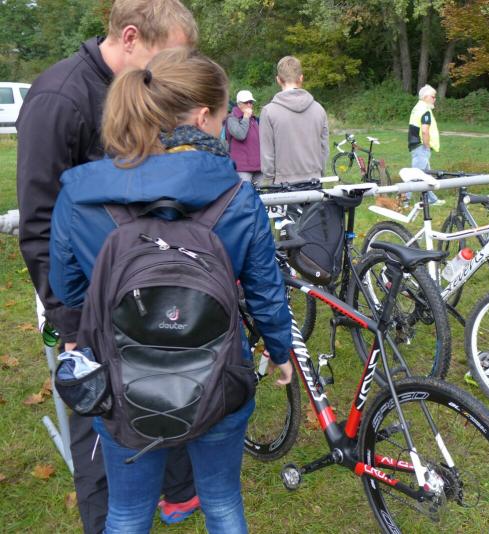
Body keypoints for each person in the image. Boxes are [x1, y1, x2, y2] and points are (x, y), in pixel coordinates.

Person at [48, 47, 293, 534]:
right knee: (223, 504)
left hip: (118, 378)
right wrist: (281, 351)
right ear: (203, 117)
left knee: (125, 513)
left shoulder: (80, 192)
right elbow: (266, 291)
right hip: (220, 373)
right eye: (221, 117)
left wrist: (80, 330)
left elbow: (67, 286)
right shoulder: (237, 195)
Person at [15, 1, 199, 530]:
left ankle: (174, 491)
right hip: (85, 305)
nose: (174, 73)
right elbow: (39, 224)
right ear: (132, 37)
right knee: (96, 419)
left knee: (161, 394)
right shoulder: (60, 98)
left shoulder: (149, 89)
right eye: (169, 57)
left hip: (147, 289)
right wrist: (71, 322)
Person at [259, 56, 329, 184]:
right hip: (314, 182)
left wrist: (269, 177)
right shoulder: (319, 109)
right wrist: (320, 173)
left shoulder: (269, 112)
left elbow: (267, 153)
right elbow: (324, 149)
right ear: (301, 78)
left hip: (283, 184)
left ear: (278, 80)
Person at [407, 84, 442, 206]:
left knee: (426, 176)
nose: (434, 99)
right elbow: (425, 130)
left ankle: (432, 199)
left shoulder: (417, 108)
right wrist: (427, 145)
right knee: (415, 175)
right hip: (421, 146)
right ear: (426, 97)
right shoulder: (425, 110)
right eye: (433, 97)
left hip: (416, 144)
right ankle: (404, 201)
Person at [226, 89, 265, 186]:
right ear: (239, 104)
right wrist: (246, 117)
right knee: (245, 193)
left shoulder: (254, 119)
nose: (249, 105)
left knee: (261, 194)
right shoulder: (232, 118)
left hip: (258, 166)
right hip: (242, 168)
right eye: (246, 102)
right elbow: (240, 135)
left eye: (251, 102)